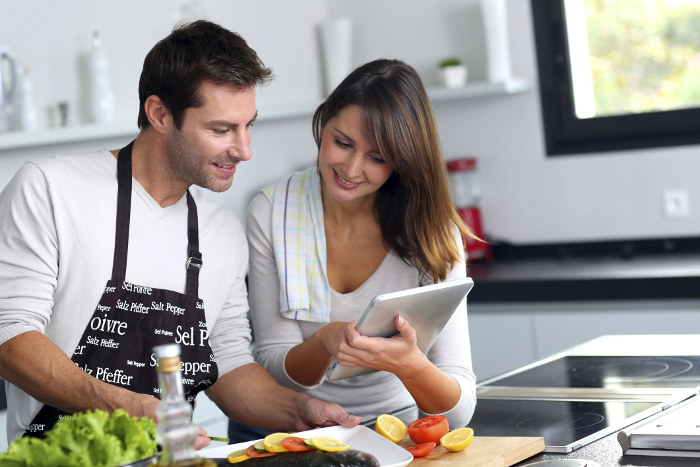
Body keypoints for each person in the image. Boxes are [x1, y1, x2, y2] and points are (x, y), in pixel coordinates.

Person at [0, 20, 360, 448]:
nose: (244, 150)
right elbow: (10, 334)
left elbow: (226, 363)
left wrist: (296, 409)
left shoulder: (221, 231)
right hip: (58, 458)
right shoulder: (50, 188)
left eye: (249, 126)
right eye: (221, 130)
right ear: (159, 114)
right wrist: (126, 407)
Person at [229, 58, 477, 441]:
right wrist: (327, 340)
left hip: (392, 431)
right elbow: (273, 362)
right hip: (287, 430)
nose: (352, 168)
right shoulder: (272, 210)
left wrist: (410, 365)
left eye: (377, 158)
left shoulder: (431, 230)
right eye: (342, 143)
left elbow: (458, 413)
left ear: (402, 162)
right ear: (323, 124)